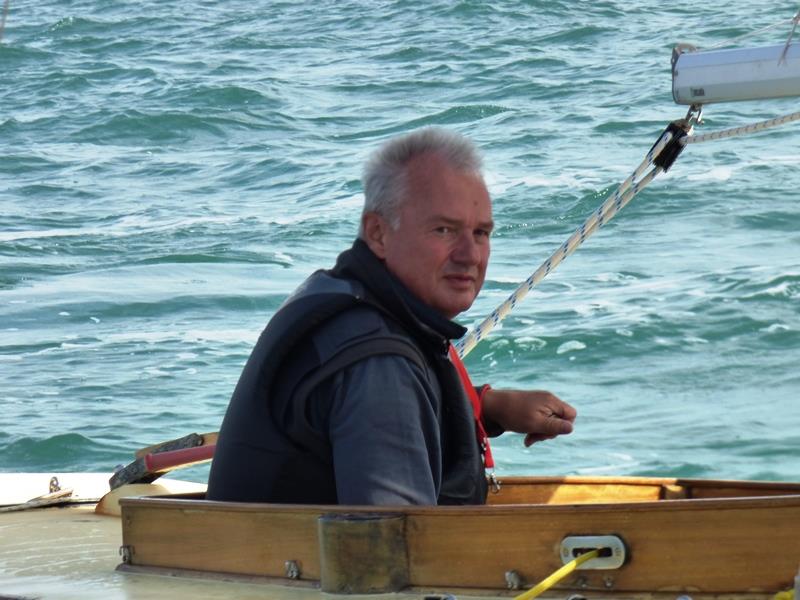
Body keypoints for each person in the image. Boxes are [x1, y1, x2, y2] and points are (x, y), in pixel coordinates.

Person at [206, 127, 576, 505]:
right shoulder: (378, 363)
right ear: (378, 233)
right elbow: (394, 544)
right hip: (289, 561)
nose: (471, 256)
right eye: (444, 230)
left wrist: (492, 408)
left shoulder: (344, 297)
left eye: (480, 233)